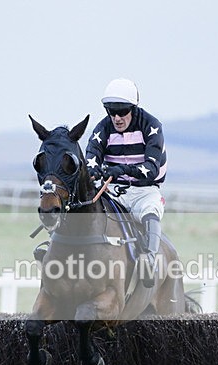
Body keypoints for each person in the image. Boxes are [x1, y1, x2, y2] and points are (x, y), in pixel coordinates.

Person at [85, 78, 167, 288]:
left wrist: (123, 169)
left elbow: (151, 168)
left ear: (133, 108)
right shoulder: (102, 128)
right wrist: (93, 170)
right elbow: (92, 155)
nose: (117, 118)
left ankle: (149, 259)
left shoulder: (151, 126)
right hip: (113, 191)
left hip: (144, 190)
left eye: (122, 111)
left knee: (151, 208)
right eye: (111, 112)